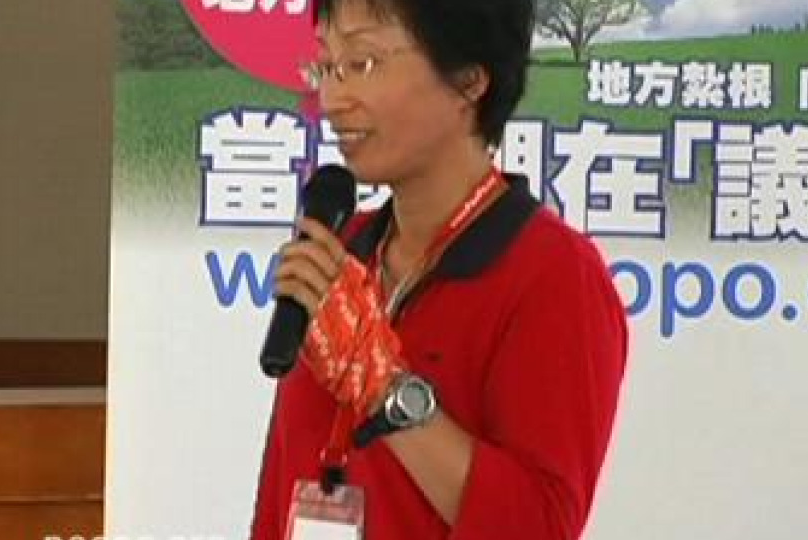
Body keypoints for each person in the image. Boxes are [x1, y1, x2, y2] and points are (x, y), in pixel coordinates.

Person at [250, 0, 628, 538]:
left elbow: (539, 525)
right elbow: (280, 486)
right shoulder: (340, 251)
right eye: (326, 66)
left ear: (470, 79)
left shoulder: (556, 275)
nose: (332, 99)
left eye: (362, 63)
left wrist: (384, 388)